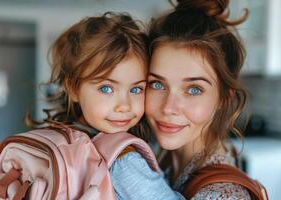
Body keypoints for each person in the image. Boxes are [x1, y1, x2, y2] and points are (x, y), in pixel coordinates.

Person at [27, 12, 183, 200]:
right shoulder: (124, 160)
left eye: (136, 89)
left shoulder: (64, 136)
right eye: (107, 88)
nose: (124, 106)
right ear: (74, 88)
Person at [145, 0, 253, 199]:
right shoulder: (159, 156)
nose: (169, 108)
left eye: (194, 90)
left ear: (223, 98)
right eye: (157, 85)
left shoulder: (222, 195)